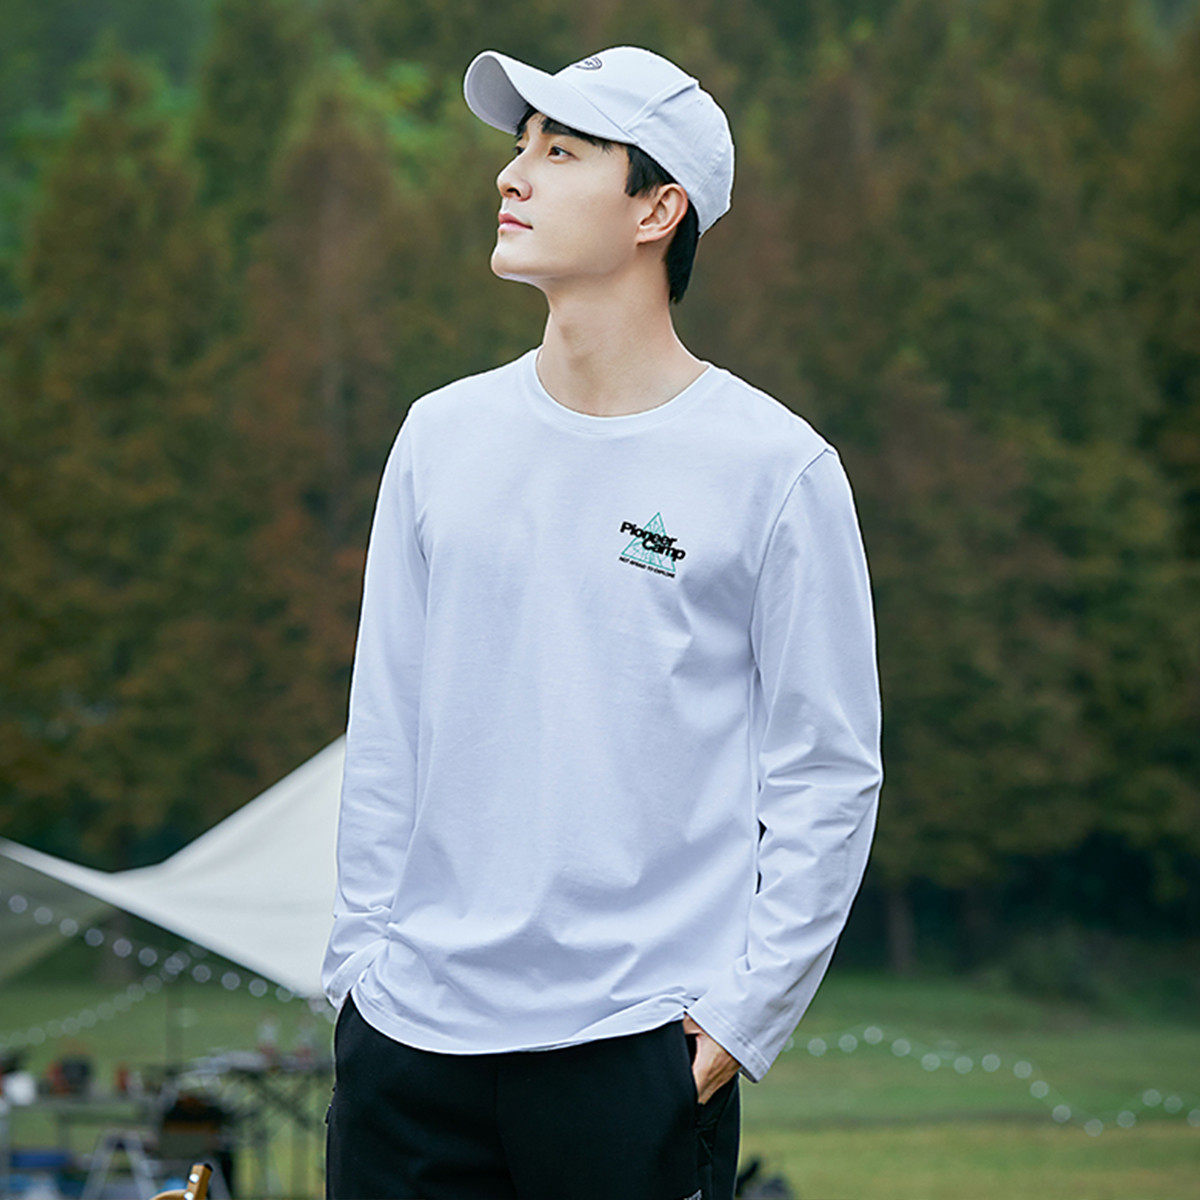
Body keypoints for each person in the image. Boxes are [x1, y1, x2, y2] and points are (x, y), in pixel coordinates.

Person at [322, 44, 883, 1200]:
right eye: (519, 145)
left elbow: (827, 772)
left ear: (657, 209)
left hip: (633, 1054)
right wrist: (359, 974)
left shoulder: (774, 470)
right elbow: (384, 731)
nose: (512, 175)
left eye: (562, 151)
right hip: (408, 1050)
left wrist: (739, 1022)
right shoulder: (440, 437)